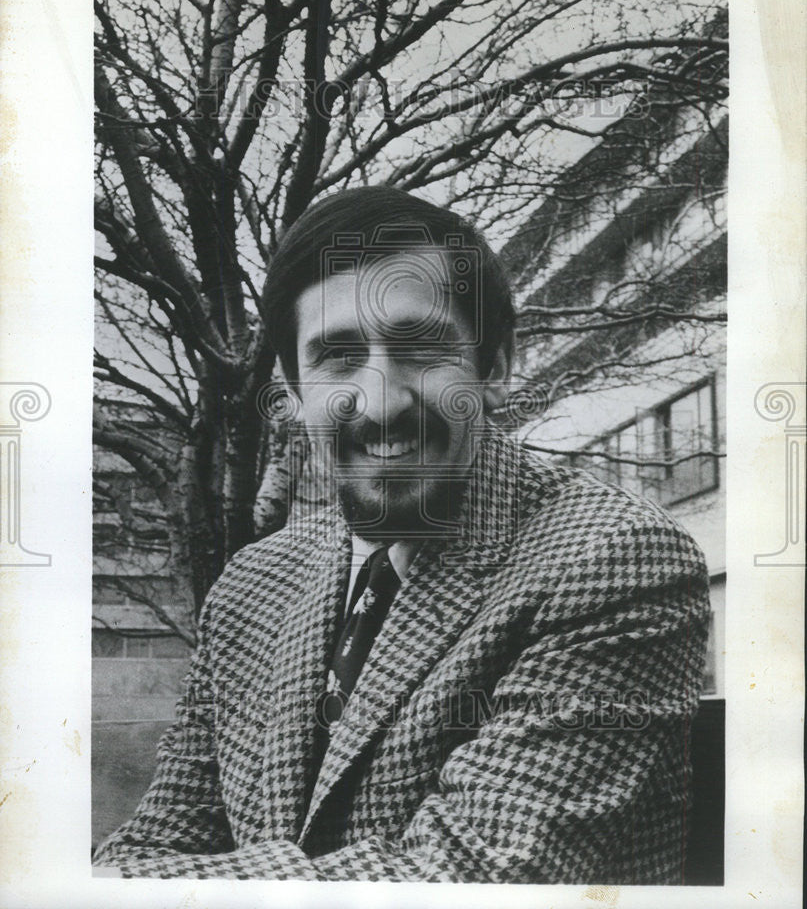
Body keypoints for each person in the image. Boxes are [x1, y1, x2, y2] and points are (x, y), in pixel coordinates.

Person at [93, 186, 710, 882]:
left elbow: (467, 879)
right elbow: (152, 843)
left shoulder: (611, 559)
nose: (382, 402)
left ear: (495, 367)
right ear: (295, 396)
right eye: (337, 356)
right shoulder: (252, 583)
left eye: (422, 349)